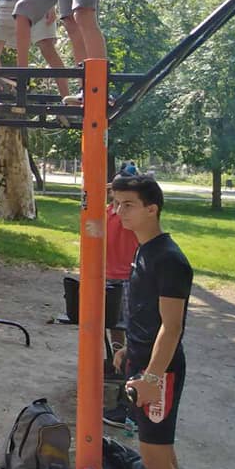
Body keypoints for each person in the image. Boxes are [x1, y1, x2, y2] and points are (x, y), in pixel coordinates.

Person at [111, 175, 192, 469]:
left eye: (128, 205)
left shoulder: (169, 259)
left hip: (160, 371)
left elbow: (172, 327)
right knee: (161, 448)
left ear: (151, 209)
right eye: (117, 204)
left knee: (153, 455)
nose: (119, 211)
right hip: (144, 361)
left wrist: (152, 379)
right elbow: (146, 313)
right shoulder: (144, 248)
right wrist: (130, 348)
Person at [102, 177, 140, 427]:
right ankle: (117, 363)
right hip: (107, 276)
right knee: (114, 324)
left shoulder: (129, 215)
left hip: (127, 278)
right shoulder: (106, 212)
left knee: (131, 327)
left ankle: (131, 389)